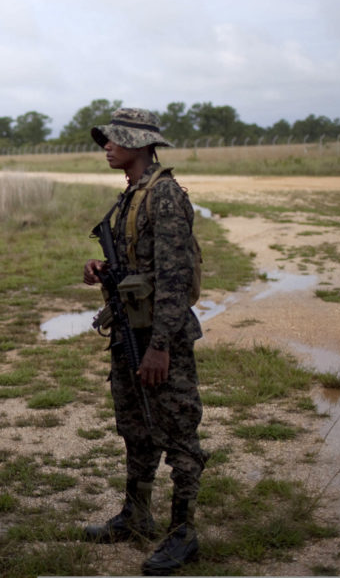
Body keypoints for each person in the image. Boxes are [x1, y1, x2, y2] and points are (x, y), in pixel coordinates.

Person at [81, 108, 206, 576]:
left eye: (114, 140)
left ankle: (183, 532)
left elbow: (174, 282)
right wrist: (99, 269)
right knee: (136, 427)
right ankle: (136, 515)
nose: (107, 147)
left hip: (158, 336)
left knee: (178, 432)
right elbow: (138, 264)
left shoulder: (165, 196)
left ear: (139, 143)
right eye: (106, 140)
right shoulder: (131, 195)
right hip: (128, 330)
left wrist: (161, 347)